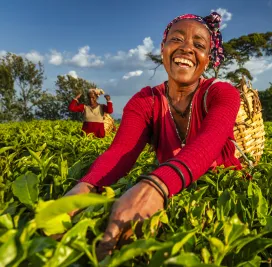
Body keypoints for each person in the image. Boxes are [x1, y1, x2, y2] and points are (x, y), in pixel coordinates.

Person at [64, 12, 242, 259]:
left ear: (208, 59)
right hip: (171, 190)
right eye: (177, 39)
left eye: (199, 45)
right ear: (163, 48)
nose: (187, 48)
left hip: (223, 193)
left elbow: (209, 143)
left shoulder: (222, 93)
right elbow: (120, 151)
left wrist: (155, 185)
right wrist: (87, 186)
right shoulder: (144, 101)